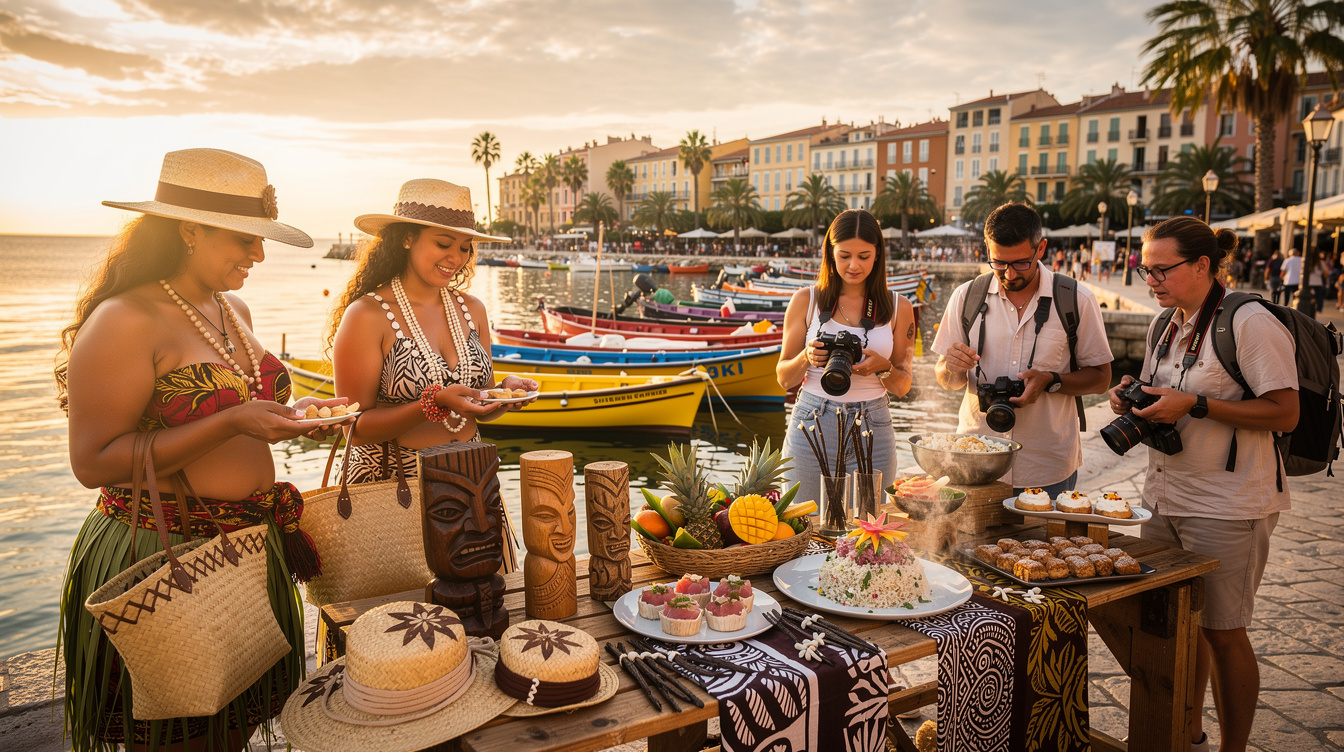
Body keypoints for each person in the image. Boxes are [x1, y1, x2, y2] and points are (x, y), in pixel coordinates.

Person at [56, 148, 347, 751]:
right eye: (245, 239)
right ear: (189, 229)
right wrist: (232, 424)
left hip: (245, 547)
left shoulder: (229, 308)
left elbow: (238, 409)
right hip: (166, 554)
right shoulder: (125, 320)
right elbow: (91, 462)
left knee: (230, 731)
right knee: (175, 736)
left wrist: (298, 418)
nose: (258, 256)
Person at [1107, 217, 1297, 752]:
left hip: (1230, 503)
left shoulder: (1250, 322)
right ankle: (1185, 733)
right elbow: (1165, 390)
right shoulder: (1165, 324)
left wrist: (1198, 404)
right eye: (1145, 269)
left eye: (1162, 269)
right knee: (1172, 626)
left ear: (1203, 266)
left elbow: (1286, 412)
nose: (1151, 280)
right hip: (1165, 494)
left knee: (1223, 630)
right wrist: (1133, 396)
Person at [329, 179, 537, 571]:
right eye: (444, 244)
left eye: (464, 247)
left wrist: (503, 394)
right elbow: (353, 428)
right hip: (394, 488)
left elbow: (477, 403)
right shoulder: (367, 314)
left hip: (471, 482)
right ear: (407, 238)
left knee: (484, 611)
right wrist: (432, 403)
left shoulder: (472, 309)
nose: (456, 257)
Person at [932, 203, 1113, 495]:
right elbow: (946, 380)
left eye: (1020, 263)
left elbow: (1102, 379)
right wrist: (950, 367)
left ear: (1040, 249)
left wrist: (1051, 381)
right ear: (987, 249)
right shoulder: (966, 297)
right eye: (999, 263)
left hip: (1048, 466)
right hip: (976, 460)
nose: (1010, 274)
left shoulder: (1077, 300)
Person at [777, 209, 916, 509]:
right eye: (844, 256)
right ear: (830, 252)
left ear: (878, 254)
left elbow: (903, 386)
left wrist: (883, 368)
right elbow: (783, 378)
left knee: (868, 532)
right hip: (812, 422)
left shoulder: (898, 307)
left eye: (864, 256)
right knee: (803, 525)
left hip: (873, 425)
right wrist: (807, 356)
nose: (854, 265)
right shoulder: (806, 300)